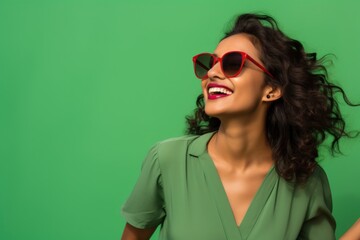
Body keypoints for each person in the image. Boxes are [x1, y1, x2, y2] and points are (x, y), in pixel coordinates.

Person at [121, 13, 359, 240]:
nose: (212, 73)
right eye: (209, 64)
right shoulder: (168, 161)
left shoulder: (306, 181)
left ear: (272, 89)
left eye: (233, 63)